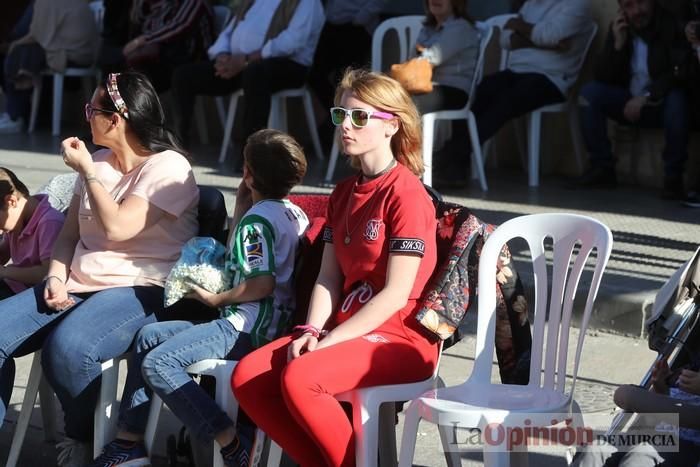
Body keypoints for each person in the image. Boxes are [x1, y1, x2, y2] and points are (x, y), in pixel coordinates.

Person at [232, 68, 440, 466]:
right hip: (347, 328)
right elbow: (329, 277)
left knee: (302, 377)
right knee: (249, 377)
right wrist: (312, 330)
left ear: (390, 126)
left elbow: (396, 294)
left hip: (400, 337)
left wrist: (327, 343)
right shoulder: (343, 192)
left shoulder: (407, 194)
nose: (346, 125)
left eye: (359, 117)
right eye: (341, 115)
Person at [0, 71, 207, 467]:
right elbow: (67, 238)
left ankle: (86, 435)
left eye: (92, 109)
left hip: (143, 286)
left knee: (68, 352)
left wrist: (87, 172)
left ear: (116, 119)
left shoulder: (170, 168)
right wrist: (56, 276)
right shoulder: (98, 161)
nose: (86, 117)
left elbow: (118, 228)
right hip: (78, 281)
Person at [88, 129, 310, 467]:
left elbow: (261, 283)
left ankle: (231, 441)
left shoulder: (257, 223)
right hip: (267, 323)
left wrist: (216, 299)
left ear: (248, 173)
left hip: (244, 329)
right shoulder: (292, 213)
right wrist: (242, 204)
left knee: (159, 363)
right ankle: (128, 442)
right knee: (148, 337)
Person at [170, 0, 325, 158]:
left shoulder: (307, 2)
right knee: (183, 75)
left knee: (255, 74)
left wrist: (246, 60)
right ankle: (179, 149)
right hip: (241, 64)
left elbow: (292, 41)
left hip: (288, 65)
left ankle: (252, 155)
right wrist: (223, 55)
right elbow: (229, 32)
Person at [575, 0, 691, 200]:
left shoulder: (669, 24)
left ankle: (673, 178)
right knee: (590, 94)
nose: (637, 11)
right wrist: (617, 47)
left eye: (641, 3)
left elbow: (678, 73)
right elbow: (603, 77)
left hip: (660, 102)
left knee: (678, 101)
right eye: (629, 6)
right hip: (629, 102)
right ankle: (602, 168)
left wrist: (647, 96)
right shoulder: (623, 28)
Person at [469, 0, 592, 160]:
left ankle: (458, 153)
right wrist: (548, 42)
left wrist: (520, 27)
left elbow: (549, 35)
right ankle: (457, 153)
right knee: (482, 89)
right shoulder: (530, 5)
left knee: (506, 100)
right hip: (516, 72)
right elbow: (505, 40)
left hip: (552, 79)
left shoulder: (576, 5)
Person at [0, 167, 65, 420]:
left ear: (11, 200)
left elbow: (47, 273)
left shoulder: (49, 222)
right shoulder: (17, 220)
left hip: (40, 301)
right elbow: (4, 251)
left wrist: (5, 272)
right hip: (16, 292)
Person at [571, 357, 700, 466]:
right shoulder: (688, 369)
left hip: (687, 445)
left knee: (641, 455)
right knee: (596, 449)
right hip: (652, 432)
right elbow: (651, 418)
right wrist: (661, 388)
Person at [0, 0, 98, 133]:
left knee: (21, 52)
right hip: (85, 54)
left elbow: (37, 34)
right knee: (27, 53)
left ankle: (15, 116)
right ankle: (21, 115)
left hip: (68, 54)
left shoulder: (46, 2)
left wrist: (13, 44)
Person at [411, 0, 479, 186]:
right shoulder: (428, 27)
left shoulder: (460, 27)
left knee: (407, 105)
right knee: (394, 100)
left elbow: (431, 58)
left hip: (454, 89)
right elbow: (416, 60)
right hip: (428, 87)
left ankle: (411, 166)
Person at [308, 0, 387, 149]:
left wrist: (361, 18)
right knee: (314, 73)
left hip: (356, 26)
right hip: (330, 24)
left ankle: (338, 128)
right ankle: (335, 120)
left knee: (347, 79)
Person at [98, 0, 215, 93]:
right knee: (114, 61)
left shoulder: (195, 2)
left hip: (192, 62)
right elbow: (143, 23)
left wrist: (140, 41)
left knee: (134, 71)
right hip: (164, 61)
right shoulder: (164, 4)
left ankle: (135, 114)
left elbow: (178, 27)